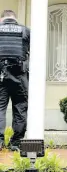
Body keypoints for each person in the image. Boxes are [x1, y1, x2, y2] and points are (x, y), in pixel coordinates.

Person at [0, 10, 30, 151]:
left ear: (2, 19)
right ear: (15, 18)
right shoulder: (25, 31)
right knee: (20, 108)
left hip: (1, 75)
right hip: (20, 75)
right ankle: (16, 143)